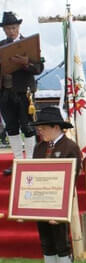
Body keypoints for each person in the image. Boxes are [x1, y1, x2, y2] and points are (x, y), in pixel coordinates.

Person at [30, 106, 82, 263]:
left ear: (55, 127)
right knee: (46, 244)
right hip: (40, 205)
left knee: (62, 244)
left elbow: (72, 179)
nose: (39, 131)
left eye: (42, 127)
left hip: (60, 206)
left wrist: (60, 210)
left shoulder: (70, 147)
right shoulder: (39, 147)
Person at [0, 11, 44, 175]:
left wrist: (26, 63)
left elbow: (38, 68)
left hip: (24, 92)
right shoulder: (0, 45)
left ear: (18, 27)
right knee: (11, 127)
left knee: (28, 126)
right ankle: (18, 160)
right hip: (5, 92)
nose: (11, 31)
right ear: (4, 30)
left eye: (13, 27)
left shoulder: (29, 45)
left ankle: (31, 161)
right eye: (7, 28)